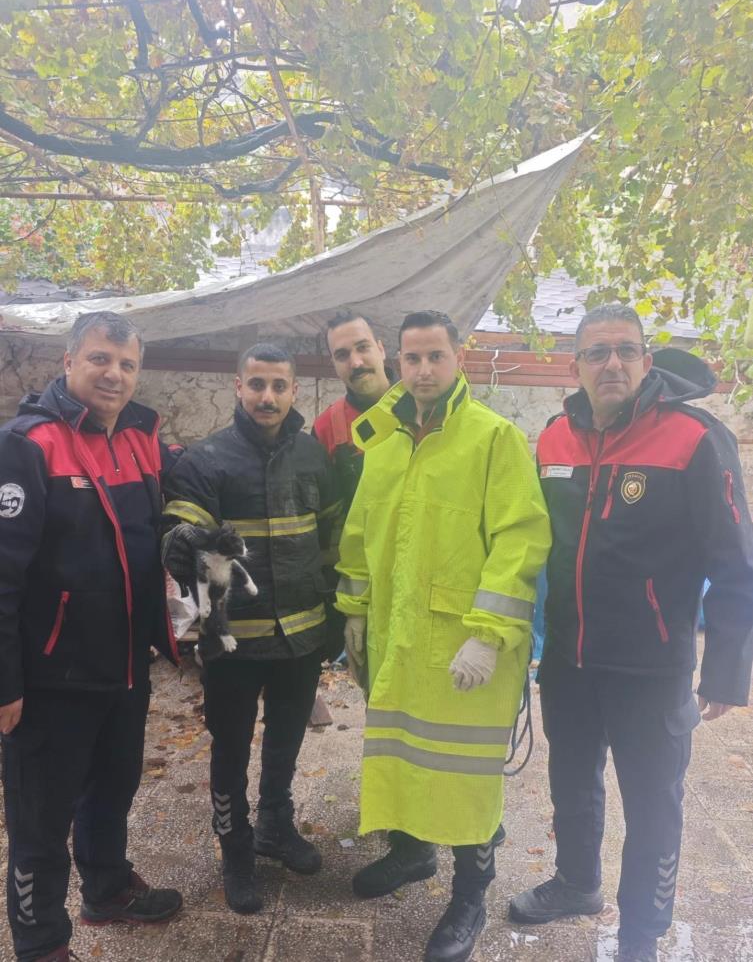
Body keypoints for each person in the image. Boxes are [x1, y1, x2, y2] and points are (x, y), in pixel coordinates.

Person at [509, 304, 753, 962]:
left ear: (646, 361)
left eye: (625, 350)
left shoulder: (695, 439)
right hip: (569, 659)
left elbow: (735, 563)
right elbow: (537, 548)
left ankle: (642, 933)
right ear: (576, 366)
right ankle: (576, 884)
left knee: (652, 805)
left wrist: (727, 670)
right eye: (597, 352)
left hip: (653, 665)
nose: (611, 363)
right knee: (571, 781)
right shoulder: (553, 438)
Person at [335, 310, 551, 962]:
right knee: (399, 757)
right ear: (396, 363)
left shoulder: (492, 438)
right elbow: (359, 532)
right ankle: (411, 854)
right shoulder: (383, 442)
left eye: (435, 356)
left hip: (465, 653)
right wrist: (352, 607)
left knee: (461, 775)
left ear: (459, 357)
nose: (423, 370)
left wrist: (488, 634)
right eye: (412, 358)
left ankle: (469, 893)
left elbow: (520, 538)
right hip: (396, 640)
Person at [0, 311, 183, 962]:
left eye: (127, 364)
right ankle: (40, 943)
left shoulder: (139, 438)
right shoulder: (26, 444)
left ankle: (106, 891)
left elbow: (190, 490)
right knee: (39, 824)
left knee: (112, 789)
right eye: (101, 359)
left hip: (125, 666)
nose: (114, 374)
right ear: (68, 361)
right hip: (50, 678)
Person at [161, 343, 341, 916]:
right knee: (231, 750)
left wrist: (337, 620)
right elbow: (179, 535)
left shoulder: (315, 458)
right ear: (238, 387)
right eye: (257, 384)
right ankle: (235, 849)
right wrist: (178, 543)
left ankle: (275, 829)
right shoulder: (205, 459)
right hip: (232, 644)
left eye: (279, 386)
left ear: (293, 391)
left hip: (301, 639)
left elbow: (335, 544)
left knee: (285, 746)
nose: (268, 396)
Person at [313, 310, 393, 510]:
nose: (356, 362)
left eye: (363, 347)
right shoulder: (326, 428)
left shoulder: (425, 408)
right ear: (334, 365)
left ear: (381, 349)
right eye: (342, 355)